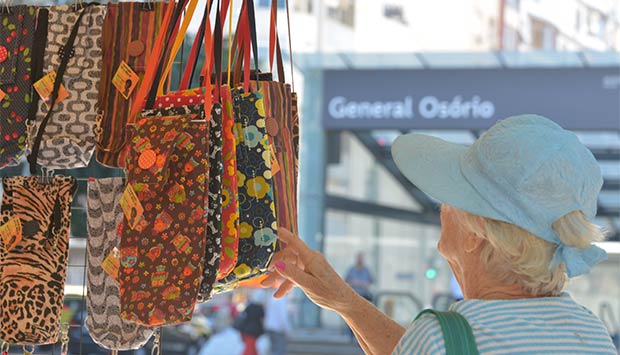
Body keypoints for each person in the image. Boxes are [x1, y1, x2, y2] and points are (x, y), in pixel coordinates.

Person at [262, 115, 617, 354]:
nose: (441, 207)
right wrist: (343, 301)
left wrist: (343, 301)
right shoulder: (592, 334)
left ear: (475, 234)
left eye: (451, 198)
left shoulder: (439, 339)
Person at [264, 289, 291, 355]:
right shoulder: (282, 299)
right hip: (278, 328)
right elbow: (283, 315)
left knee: (273, 349)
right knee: (279, 349)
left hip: (270, 326)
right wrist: (287, 330)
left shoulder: (272, 297)